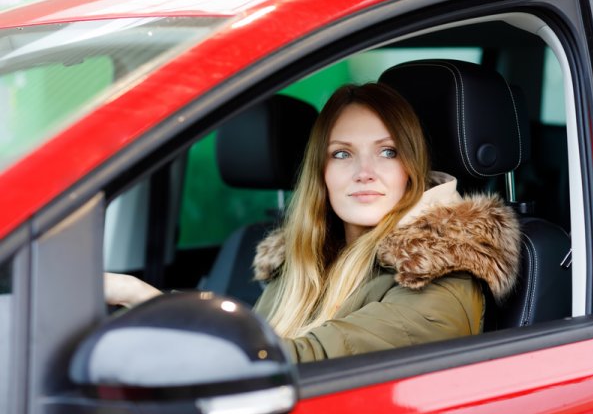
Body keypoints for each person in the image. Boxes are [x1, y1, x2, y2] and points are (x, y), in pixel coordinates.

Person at [105, 83, 522, 363]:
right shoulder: (306, 258)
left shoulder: (441, 279)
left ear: (411, 169)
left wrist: (145, 301)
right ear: (320, 171)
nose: (364, 171)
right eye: (342, 153)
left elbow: (293, 359)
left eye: (387, 152)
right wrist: (141, 298)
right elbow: (257, 338)